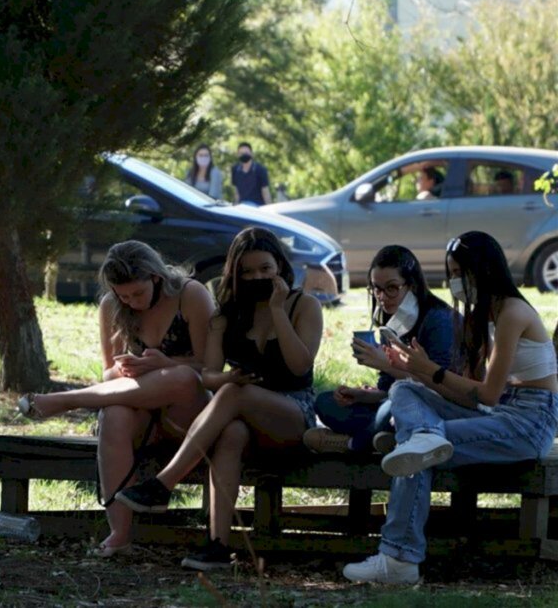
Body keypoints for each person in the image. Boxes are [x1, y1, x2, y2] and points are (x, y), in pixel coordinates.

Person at [342, 231, 558, 584]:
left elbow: (488, 394)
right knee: (404, 391)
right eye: (452, 273)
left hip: (530, 421)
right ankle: (423, 437)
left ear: (484, 270)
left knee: (414, 449)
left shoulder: (512, 312)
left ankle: (399, 557)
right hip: (499, 413)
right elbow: (467, 397)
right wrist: (416, 372)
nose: (455, 281)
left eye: (460, 273)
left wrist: (431, 370)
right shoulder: (481, 317)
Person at [114, 227, 323, 570]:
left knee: (233, 394)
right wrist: (227, 378)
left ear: (280, 267)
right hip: (243, 416)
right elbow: (209, 374)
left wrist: (277, 310)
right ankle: (217, 545)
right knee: (231, 432)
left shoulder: (304, 305)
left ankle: (164, 483)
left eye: (265, 269)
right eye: (247, 271)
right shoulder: (226, 314)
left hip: (293, 415)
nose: (257, 277)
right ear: (234, 274)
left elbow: (300, 365)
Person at [17, 240, 214, 557]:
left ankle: (71, 400)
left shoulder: (190, 294)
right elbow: (108, 374)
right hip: (141, 415)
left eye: (138, 293)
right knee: (114, 414)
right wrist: (127, 370)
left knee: (182, 377)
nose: (132, 302)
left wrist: (164, 364)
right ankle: (119, 534)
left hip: (189, 416)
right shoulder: (111, 306)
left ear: (156, 278)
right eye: (124, 296)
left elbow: (211, 368)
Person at [303, 246, 455, 454]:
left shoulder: (438, 320)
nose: (382, 297)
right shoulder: (391, 322)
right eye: (376, 288)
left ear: (412, 285)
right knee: (325, 402)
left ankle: (351, 444)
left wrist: (387, 365)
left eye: (391, 288)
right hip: (394, 401)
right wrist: (360, 396)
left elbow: (440, 387)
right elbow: (386, 388)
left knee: (391, 410)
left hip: (431, 407)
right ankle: (385, 438)